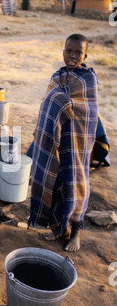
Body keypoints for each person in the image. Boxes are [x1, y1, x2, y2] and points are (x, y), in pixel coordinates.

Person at [28, 34, 99, 252]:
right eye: (69, 51)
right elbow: (47, 103)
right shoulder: (56, 76)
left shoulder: (88, 80)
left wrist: (61, 101)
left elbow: (87, 110)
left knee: (74, 183)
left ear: (84, 55)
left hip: (76, 139)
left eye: (78, 52)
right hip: (54, 138)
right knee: (55, 180)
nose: (73, 55)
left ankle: (76, 231)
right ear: (63, 52)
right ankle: (58, 228)